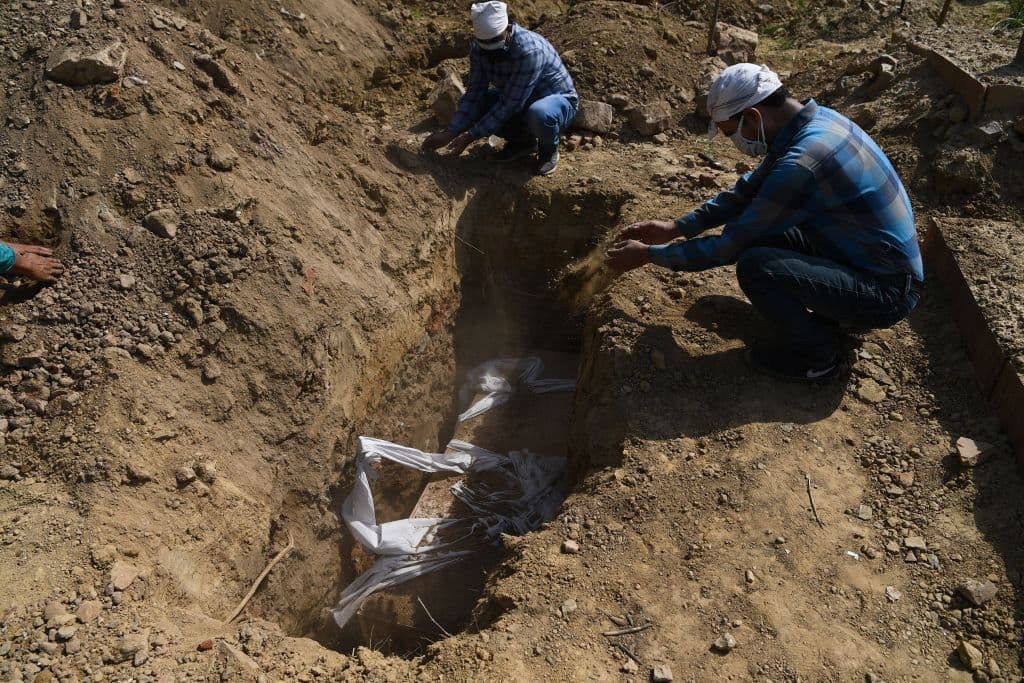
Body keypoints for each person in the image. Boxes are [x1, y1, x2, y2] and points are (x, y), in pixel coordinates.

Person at [606, 63, 923, 382]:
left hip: (887, 291)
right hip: (868, 259)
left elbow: (728, 247)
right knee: (767, 234)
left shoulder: (803, 162)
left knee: (757, 266)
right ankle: (835, 313)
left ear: (754, 117)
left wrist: (651, 255)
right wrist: (676, 227)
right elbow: (748, 191)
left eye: (732, 133)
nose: (735, 143)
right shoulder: (815, 122)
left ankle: (820, 359)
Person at [420, 1, 578, 176]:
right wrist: (451, 132)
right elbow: (474, 94)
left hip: (555, 103)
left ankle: (548, 151)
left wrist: (469, 137)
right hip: (518, 99)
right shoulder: (480, 50)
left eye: (495, 40)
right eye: (484, 43)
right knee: (481, 103)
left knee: (539, 113)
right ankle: (523, 142)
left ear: (508, 29)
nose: (490, 47)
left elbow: (510, 104)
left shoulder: (529, 51)